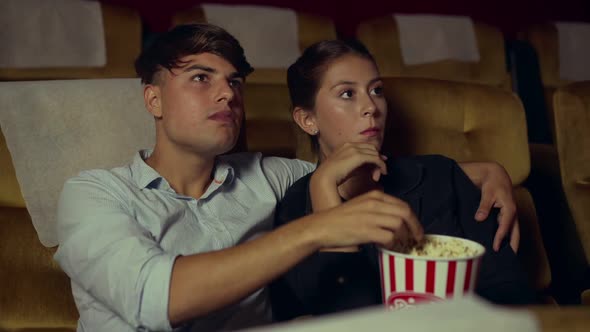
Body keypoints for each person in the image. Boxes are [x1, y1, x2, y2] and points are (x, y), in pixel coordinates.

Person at [54, 24, 520, 331]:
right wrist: (317, 228)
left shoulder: (266, 176)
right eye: (201, 78)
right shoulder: (92, 194)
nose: (226, 93)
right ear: (153, 100)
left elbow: (364, 171)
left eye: (234, 82)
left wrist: (484, 171)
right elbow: (155, 298)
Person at [271, 39, 536, 320]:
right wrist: (324, 188)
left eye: (376, 90)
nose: (371, 107)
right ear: (307, 120)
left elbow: (510, 291)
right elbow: (347, 320)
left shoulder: (440, 176)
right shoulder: (295, 208)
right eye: (348, 94)